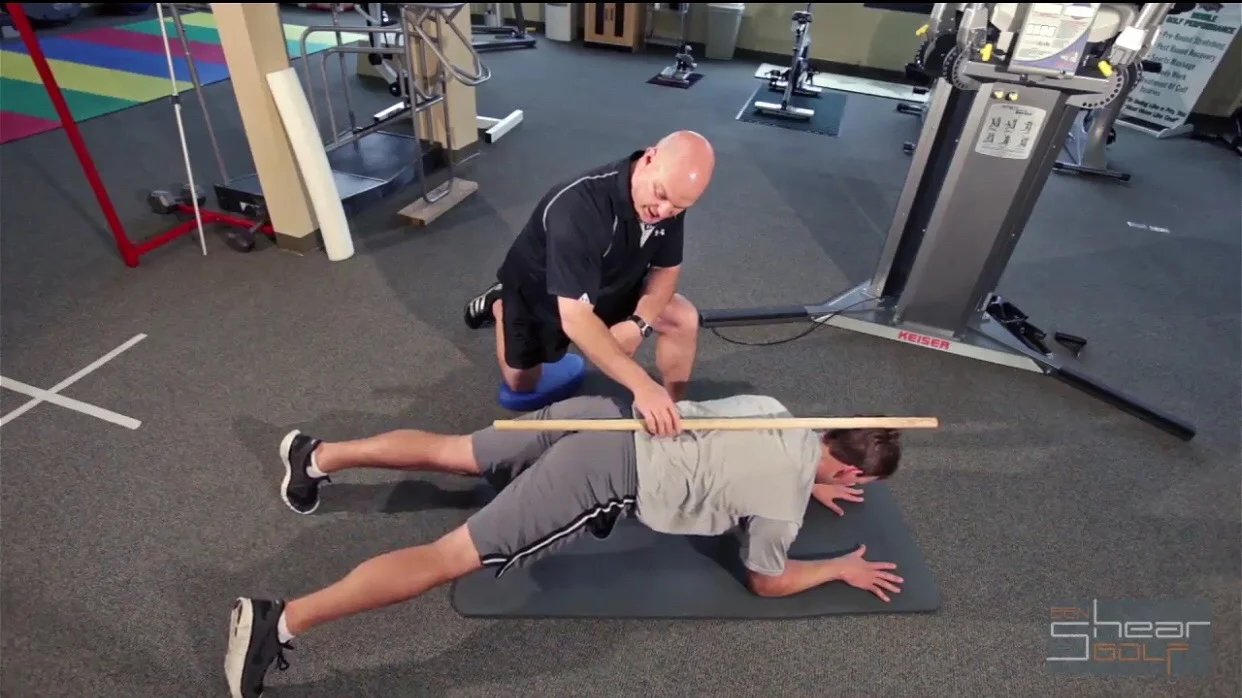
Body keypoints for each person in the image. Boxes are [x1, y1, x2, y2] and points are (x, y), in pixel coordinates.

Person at [226, 394, 904, 698]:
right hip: (601, 474)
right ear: (851, 473)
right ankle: (279, 620)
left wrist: (809, 480)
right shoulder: (783, 506)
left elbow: (747, 456)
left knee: (458, 451)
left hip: (602, 417)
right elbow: (767, 579)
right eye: (858, 480)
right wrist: (837, 568)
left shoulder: (777, 413)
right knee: (448, 558)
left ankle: (317, 456)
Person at [463, 130, 717, 437]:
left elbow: (666, 270)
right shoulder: (577, 206)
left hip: (612, 278)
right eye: (661, 195)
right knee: (521, 386)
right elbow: (576, 319)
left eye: (677, 207)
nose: (663, 212)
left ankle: (673, 411)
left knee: (683, 317)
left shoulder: (670, 199)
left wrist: (639, 323)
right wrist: (642, 385)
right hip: (543, 292)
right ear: (649, 158)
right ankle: (500, 303)